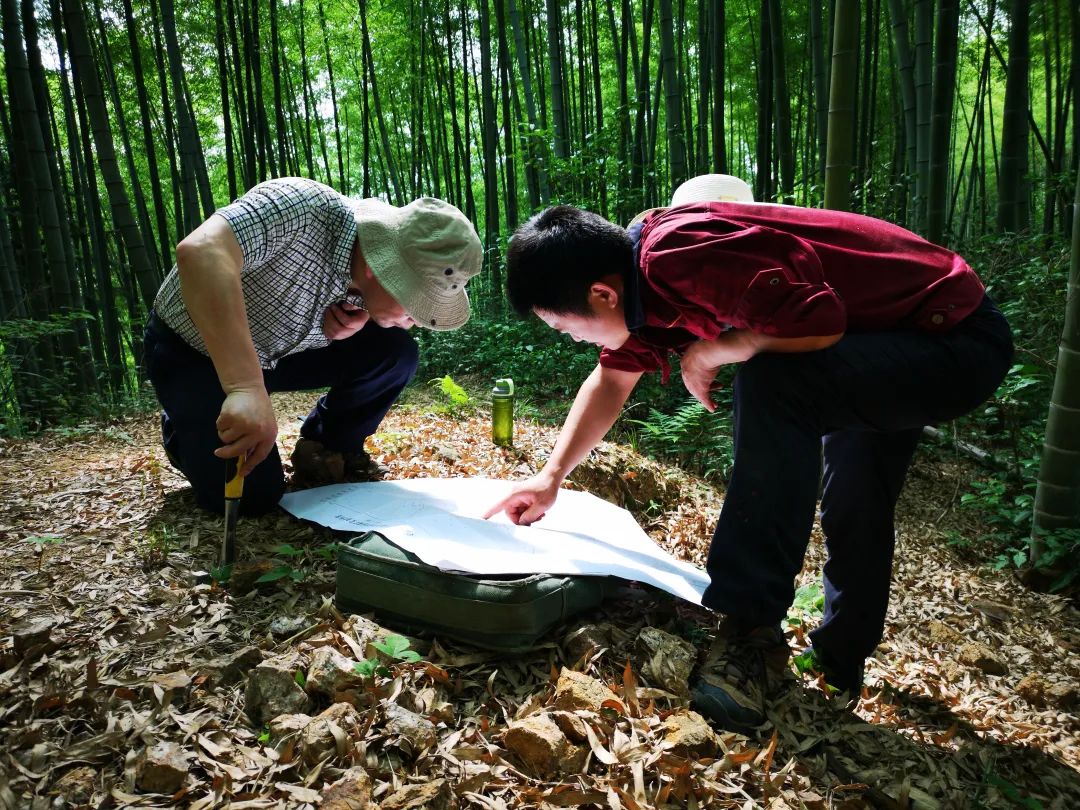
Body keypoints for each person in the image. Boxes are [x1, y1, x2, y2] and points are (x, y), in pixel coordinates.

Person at [484, 177, 1012, 732]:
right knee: (855, 494)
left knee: (774, 382)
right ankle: (840, 659)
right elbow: (611, 382)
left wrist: (717, 350)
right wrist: (550, 477)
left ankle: (749, 631)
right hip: (888, 339)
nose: (571, 338)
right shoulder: (637, 285)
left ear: (602, 294)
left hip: (952, 338)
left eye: (563, 326)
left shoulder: (677, 254)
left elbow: (819, 320)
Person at [144, 177, 482, 516]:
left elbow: (351, 292)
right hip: (196, 352)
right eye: (414, 303)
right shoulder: (301, 208)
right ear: (377, 267)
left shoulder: (367, 278)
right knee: (252, 498)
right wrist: (244, 387)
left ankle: (325, 446)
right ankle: (182, 427)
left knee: (395, 352)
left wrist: (361, 311)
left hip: (280, 354)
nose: (417, 319)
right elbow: (201, 251)